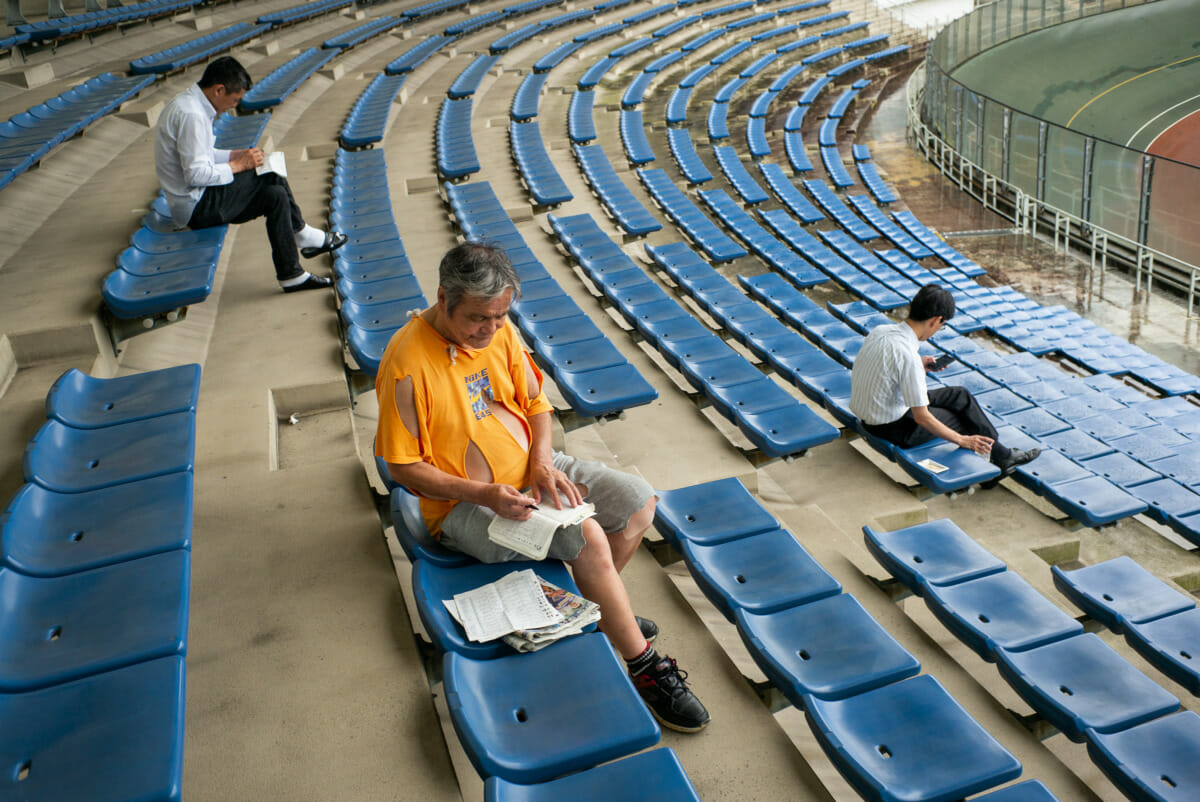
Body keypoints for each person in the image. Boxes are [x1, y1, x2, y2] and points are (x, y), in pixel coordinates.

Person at [375, 242, 710, 733]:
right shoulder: (406, 362)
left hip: (535, 471)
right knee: (590, 537)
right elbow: (401, 467)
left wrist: (542, 463)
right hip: (464, 507)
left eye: (499, 316)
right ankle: (644, 665)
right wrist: (485, 494)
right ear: (443, 299)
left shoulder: (500, 331)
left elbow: (537, 406)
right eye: (478, 318)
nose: (490, 330)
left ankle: (597, 614)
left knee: (640, 504)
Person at [154, 56, 346, 293]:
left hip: (200, 198)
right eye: (234, 100)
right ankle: (302, 234)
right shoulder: (192, 115)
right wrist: (240, 165)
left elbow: (203, 154)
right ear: (218, 90)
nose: (234, 106)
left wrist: (235, 155)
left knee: (275, 195)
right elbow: (196, 174)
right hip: (197, 207)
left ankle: (291, 275)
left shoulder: (190, 104)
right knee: (269, 173)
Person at [850, 283, 1040, 481]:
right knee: (963, 418)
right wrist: (962, 440)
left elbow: (884, 368)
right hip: (893, 427)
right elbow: (922, 417)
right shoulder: (908, 356)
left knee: (960, 395)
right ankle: (997, 462)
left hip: (876, 411)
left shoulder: (881, 331)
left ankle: (1000, 458)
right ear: (936, 320)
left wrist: (919, 365)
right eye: (942, 325)